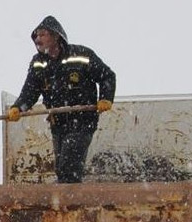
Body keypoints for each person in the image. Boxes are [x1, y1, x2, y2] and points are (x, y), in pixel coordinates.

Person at [7, 16, 116, 183]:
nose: (38, 39)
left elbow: (107, 76)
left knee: (69, 165)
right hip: (58, 123)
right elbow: (30, 91)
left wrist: (106, 98)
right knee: (61, 169)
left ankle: (68, 203)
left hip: (82, 121)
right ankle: (68, 201)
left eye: (42, 34)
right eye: (36, 36)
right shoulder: (38, 63)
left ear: (56, 36)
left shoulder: (82, 55)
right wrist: (18, 107)